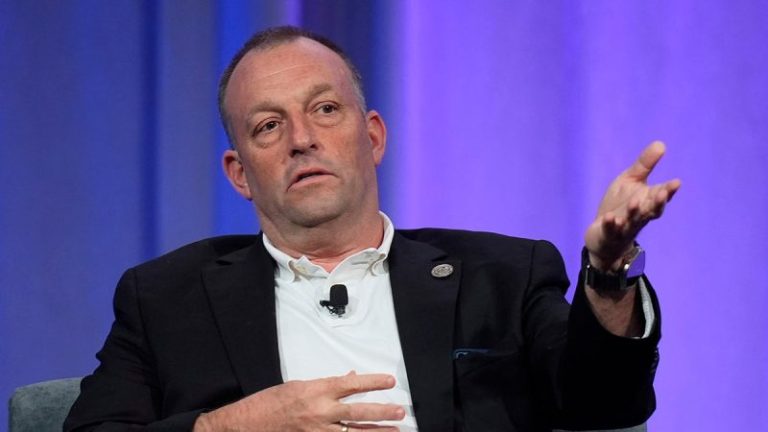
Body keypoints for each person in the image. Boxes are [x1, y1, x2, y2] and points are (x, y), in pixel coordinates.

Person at [64, 26, 681, 432]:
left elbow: (606, 405)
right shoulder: (167, 299)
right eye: (268, 126)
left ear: (374, 137)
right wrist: (233, 425)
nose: (302, 139)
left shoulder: (502, 276)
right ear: (240, 174)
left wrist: (608, 275)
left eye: (325, 109)